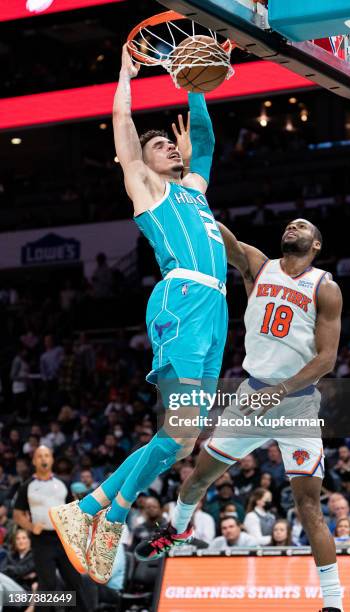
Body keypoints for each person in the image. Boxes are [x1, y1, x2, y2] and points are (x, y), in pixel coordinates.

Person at [50, 43, 227, 585]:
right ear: (145, 163)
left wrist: (194, 83)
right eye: (158, 148)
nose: (167, 150)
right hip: (183, 300)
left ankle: (89, 511)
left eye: (169, 147)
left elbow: (207, 143)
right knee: (178, 433)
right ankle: (106, 515)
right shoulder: (147, 188)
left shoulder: (193, 191)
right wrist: (126, 78)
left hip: (215, 308)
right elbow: (125, 130)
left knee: (181, 439)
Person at [141, 218, 345, 612]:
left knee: (309, 508)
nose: (292, 226)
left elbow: (327, 359)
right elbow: (222, 236)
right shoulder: (259, 265)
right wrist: (188, 198)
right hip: (252, 394)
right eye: (289, 224)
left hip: (296, 402)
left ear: (316, 244)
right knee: (199, 476)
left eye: (302, 225)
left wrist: (279, 392)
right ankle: (178, 529)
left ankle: (333, 604)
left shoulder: (326, 287)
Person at [13, 446, 90, 612]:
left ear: (52, 459)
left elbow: (72, 509)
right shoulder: (27, 486)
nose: (43, 459)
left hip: (64, 538)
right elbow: (18, 514)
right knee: (47, 583)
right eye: (39, 456)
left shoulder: (63, 484)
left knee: (74, 580)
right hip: (42, 541)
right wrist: (31, 527)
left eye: (47, 455)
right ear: (34, 461)